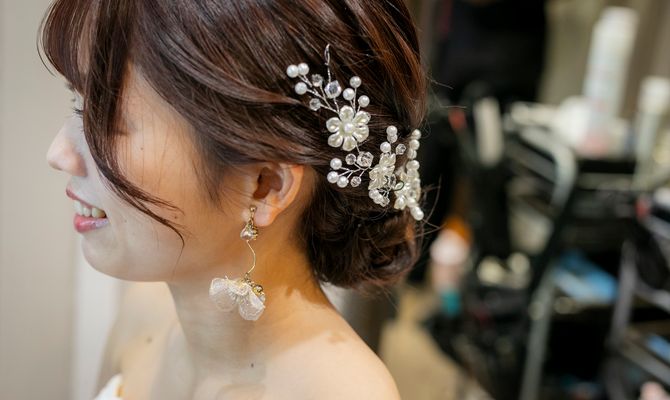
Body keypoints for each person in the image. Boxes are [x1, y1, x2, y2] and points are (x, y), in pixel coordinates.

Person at [41, 0, 428, 398]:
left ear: (264, 186)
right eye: (79, 103)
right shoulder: (144, 312)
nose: (58, 153)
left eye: (106, 119)